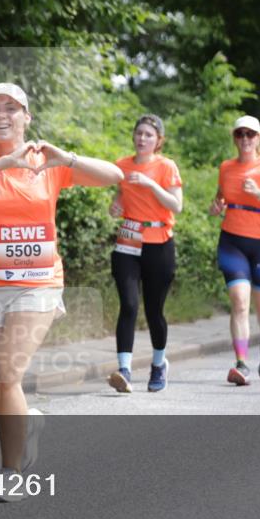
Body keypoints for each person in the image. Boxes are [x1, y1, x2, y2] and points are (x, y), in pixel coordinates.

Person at [0, 82, 122, 500]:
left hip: (38, 284)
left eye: (12, 107)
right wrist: (5, 161)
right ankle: (29, 420)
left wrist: (67, 158)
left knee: (7, 376)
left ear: (27, 117)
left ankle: (11, 472)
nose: (2, 115)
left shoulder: (49, 163)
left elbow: (115, 175)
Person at [209, 115, 260, 386]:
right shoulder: (226, 167)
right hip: (233, 240)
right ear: (234, 138)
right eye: (240, 134)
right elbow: (221, 196)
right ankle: (241, 363)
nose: (245, 139)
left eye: (251, 134)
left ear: (259, 138)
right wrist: (217, 206)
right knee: (239, 301)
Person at [106, 115, 183, 394]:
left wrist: (151, 184)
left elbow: (177, 205)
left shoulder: (166, 166)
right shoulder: (122, 165)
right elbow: (121, 196)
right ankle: (124, 369)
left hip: (159, 241)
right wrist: (115, 207)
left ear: (158, 140)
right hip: (129, 238)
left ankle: (159, 364)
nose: (142, 139)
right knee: (128, 304)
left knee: (154, 311)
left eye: (149, 135)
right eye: (139, 133)